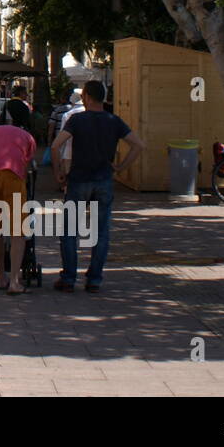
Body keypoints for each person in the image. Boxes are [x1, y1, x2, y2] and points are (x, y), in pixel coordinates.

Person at [49, 81, 145, 293]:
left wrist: (58, 173)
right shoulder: (114, 121)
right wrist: (120, 167)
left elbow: (56, 145)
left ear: (87, 97)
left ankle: (68, 277)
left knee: (69, 232)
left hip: (79, 179)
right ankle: (94, 279)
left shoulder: (77, 119)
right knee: (101, 232)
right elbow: (139, 145)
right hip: (104, 180)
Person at [0, 123, 36, 296]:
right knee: (18, 231)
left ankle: (1, 276)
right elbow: (28, 166)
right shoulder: (28, 137)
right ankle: (14, 281)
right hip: (12, 175)